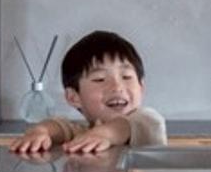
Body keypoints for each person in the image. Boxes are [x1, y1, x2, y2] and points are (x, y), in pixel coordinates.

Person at [10, 30, 168, 155]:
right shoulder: (86, 133)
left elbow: (128, 125)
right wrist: (40, 131)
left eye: (126, 77)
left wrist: (105, 134)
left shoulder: (148, 120)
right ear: (73, 97)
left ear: (141, 87)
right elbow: (62, 126)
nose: (117, 87)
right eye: (100, 79)